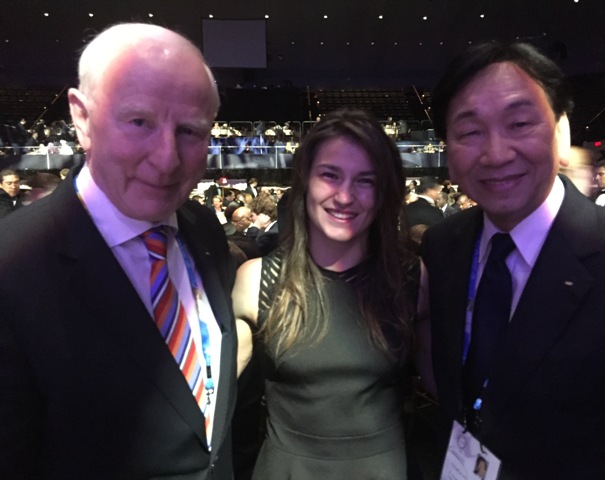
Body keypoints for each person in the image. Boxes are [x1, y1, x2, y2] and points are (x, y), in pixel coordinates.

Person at [0, 23, 237, 479]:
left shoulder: (202, 230)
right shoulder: (13, 268)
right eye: (139, 122)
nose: (167, 158)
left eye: (190, 130)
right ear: (81, 118)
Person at [419, 41, 605, 479]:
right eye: (469, 132)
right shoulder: (443, 246)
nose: (496, 153)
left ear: (562, 133)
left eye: (519, 123)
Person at [232, 108, 427, 479]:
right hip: (287, 469)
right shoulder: (257, 280)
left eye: (365, 181)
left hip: (383, 469)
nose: (344, 196)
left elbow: (457, 395)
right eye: (330, 175)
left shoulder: (412, 280)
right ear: (305, 182)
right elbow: (209, 402)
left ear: (384, 192)